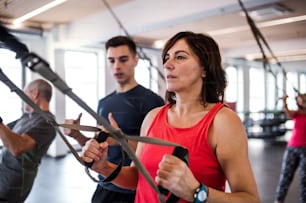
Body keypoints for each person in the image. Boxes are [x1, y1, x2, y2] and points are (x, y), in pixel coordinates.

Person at [80, 31, 260, 203]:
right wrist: (103, 167)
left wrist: (196, 192)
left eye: (180, 57)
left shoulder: (222, 121)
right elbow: (138, 178)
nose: (167, 64)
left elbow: (250, 199)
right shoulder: (154, 116)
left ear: (204, 68)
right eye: (167, 58)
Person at [64, 35, 164, 203]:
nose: (117, 66)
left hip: (133, 189)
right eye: (111, 60)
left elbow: (156, 151)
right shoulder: (104, 103)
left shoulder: (152, 102)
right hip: (105, 183)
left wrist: (121, 140)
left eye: (123, 60)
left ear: (135, 60)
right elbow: (100, 144)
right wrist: (78, 136)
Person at [0, 79, 56, 203]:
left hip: (13, 183)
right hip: (3, 173)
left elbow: (17, 148)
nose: (23, 98)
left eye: (25, 93)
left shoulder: (47, 123)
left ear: (35, 93)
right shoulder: (28, 116)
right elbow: (6, 131)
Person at [274, 94, 306, 203]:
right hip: (292, 148)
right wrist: (284, 101)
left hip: (305, 151)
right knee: (285, 176)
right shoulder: (297, 113)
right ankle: (278, 200)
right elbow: (288, 112)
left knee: (304, 180)